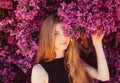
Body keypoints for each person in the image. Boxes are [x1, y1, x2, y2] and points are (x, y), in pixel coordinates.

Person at [31, 14, 110, 83]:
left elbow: (103, 77)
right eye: (56, 33)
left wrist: (97, 44)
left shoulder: (74, 63)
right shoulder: (39, 70)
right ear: (47, 37)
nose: (63, 37)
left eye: (65, 31)